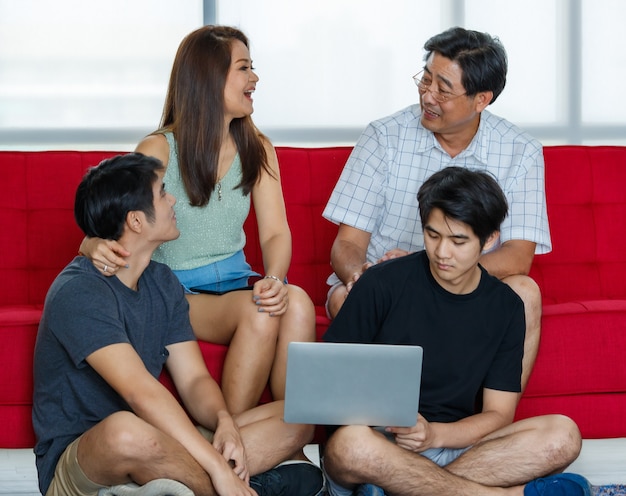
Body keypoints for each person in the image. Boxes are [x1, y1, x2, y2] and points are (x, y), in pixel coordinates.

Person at [33, 153, 324, 496]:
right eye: (162, 193)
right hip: (89, 459)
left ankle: (176, 487)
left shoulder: (161, 281)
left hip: (160, 447)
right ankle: (233, 488)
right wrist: (218, 468)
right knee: (124, 432)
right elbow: (139, 392)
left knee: (299, 414)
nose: (173, 200)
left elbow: (195, 379)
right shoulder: (80, 290)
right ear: (136, 221)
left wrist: (224, 422)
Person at [78, 25, 316, 415]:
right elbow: (114, 221)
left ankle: (287, 433)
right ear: (209, 78)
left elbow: (275, 232)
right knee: (260, 314)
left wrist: (274, 277)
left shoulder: (258, 148)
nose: (254, 78)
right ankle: (230, 441)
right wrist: (90, 244)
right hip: (177, 291)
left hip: (237, 281)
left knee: (300, 304)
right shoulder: (159, 148)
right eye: (244, 68)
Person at [321, 166, 590, 496]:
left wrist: (433, 435)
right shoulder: (381, 283)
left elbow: (498, 414)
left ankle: (401, 487)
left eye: (458, 240)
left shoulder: (505, 307)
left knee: (563, 435)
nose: (442, 252)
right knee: (351, 444)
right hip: (376, 445)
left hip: (450, 444)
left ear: (489, 239)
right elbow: (328, 391)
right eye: (432, 235)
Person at [323, 27, 551, 390]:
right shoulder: (384, 137)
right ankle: (389, 424)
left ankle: (487, 428)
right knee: (345, 296)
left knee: (526, 292)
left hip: (469, 287)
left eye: (443, 89)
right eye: (425, 79)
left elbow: (517, 258)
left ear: (481, 100)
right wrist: (364, 277)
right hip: (388, 287)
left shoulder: (520, 151)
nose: (427, 95)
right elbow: (347, 245)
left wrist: (428, 274)